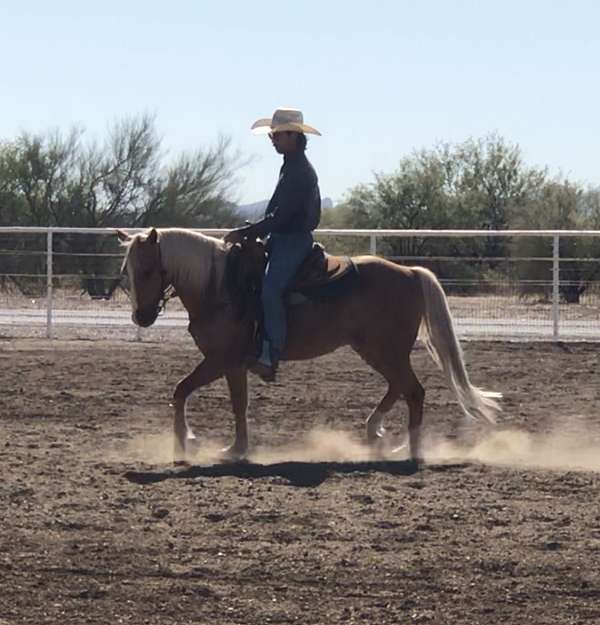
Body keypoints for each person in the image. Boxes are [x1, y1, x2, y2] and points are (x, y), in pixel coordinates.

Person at [225, 108, 322, 381]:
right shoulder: (291, 166)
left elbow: (281, 217)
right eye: (273, 134)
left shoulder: (300, 171)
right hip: (282, 239)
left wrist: (248, 231)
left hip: (292, 241)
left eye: (277, 134)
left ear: (293, 135)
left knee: (270, 289)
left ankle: (271, 352)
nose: (272, 139)